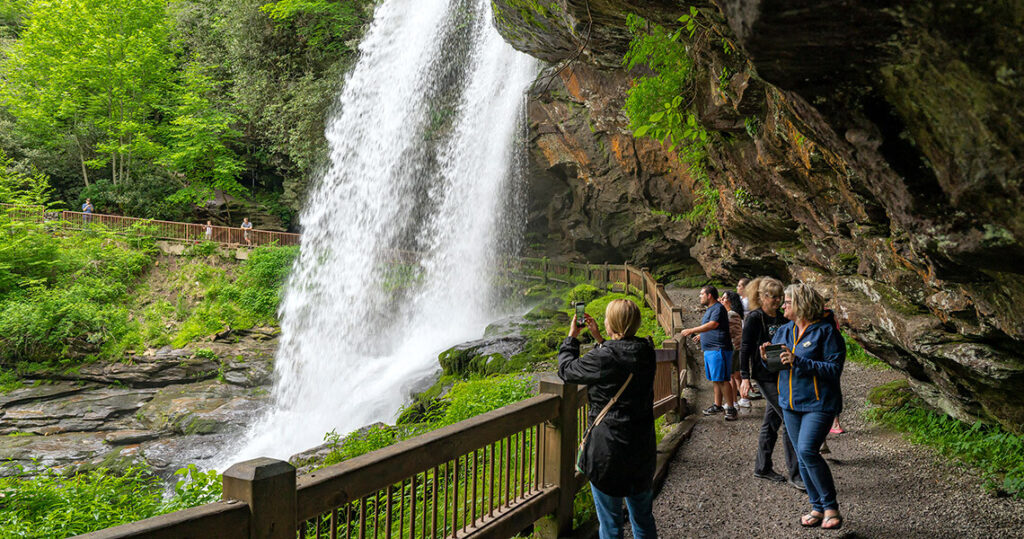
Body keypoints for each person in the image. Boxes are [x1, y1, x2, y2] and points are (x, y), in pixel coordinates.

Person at [558, 299, 657, 539]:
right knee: (643, 519)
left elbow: (566, 370)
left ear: (611, 322)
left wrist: (572, 337)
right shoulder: (646, 351)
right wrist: (601, 340)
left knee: (611, 526)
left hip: (609, 453)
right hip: (642, 448)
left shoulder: (606, 358)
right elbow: (622, 361)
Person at [763, 283, 845, 530]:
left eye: (787, 301)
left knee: (808, 450)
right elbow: (776, 368)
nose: (783, 305)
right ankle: (816, 507)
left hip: (819, 404)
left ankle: (831, 507)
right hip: (790, 403)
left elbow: (834, 369)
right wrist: (766, 358)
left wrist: (799, 361)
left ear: (800, 304)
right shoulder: (784, 331)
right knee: (800, 455)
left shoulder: (826, 332)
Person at [739, 277, 803, 490]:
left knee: (772, 422)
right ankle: (796, 473)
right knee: (789, 418)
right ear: (762, 297)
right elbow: (745, 348)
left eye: (779, 297)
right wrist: (745, 377)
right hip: (764, 375)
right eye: (773, 297)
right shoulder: (755, 318)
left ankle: (762, 467)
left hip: (781, 373)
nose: (777, 301)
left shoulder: (783, 318)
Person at [681, 285, 736, 421]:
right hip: (710, 349)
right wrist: (701, 335)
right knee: (716, 379)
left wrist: (691, 329)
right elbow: (712, 326)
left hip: (719, 348)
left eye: (701, 294)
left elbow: (713, 324)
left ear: (709, 295)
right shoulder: (711, 309)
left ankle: (731, 408)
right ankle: (717, 405)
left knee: (723, 379)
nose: (700, 297)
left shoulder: (718, 308)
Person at [720, 291, 746, 408]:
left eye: (724, 298)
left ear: (730, 301)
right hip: (736, 347)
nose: (722, 299)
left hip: (733, 347)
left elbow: (729, 332)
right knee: (735, 374)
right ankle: (743, 399)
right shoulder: (733, 314)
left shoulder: (731, 314)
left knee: (730, 375)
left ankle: (734, 402)